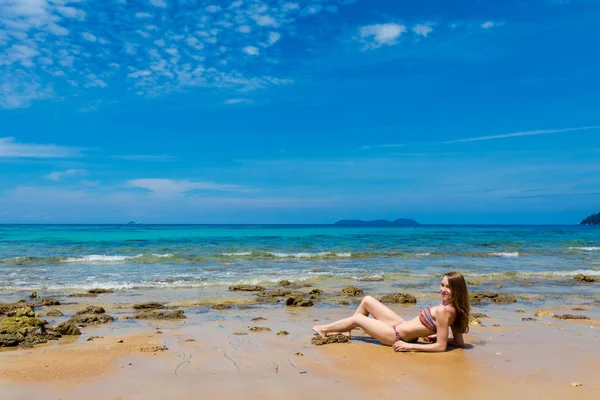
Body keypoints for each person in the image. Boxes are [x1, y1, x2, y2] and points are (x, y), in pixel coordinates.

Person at [312, 271, 470, 352]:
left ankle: (324, 329)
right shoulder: (454, 309)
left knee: (358, 319)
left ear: (458, 290)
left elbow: (441, 347)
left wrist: (411, 347)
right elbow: (458, 342)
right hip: (400, 325)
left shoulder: (445, 311)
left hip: (395, 336)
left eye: (448, 287)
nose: (443, 290)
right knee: (367, 300)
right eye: (442, 285)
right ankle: (346, 331)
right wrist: (433, 335)